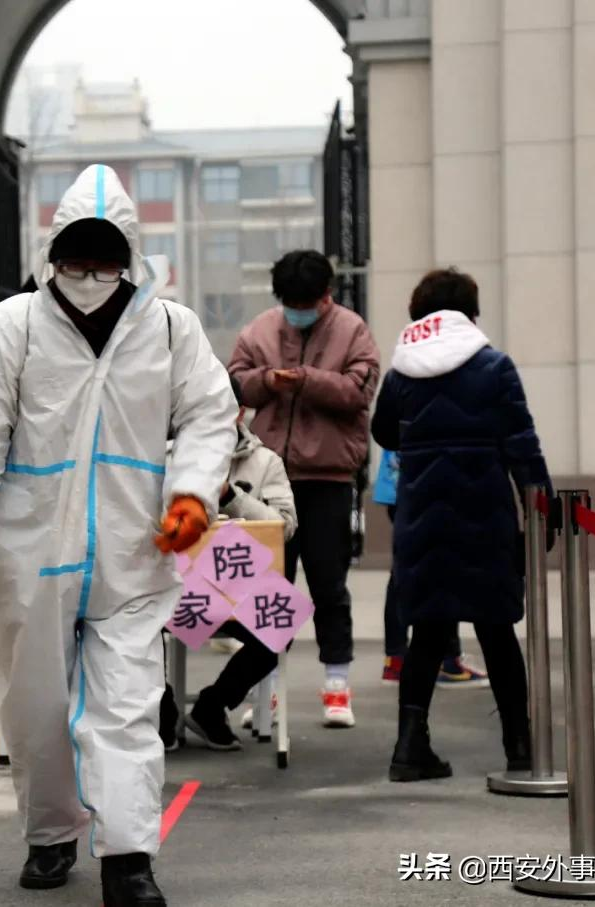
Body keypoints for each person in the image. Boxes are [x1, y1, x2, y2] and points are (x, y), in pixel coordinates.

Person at [0, 164, 236, 906]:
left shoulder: (171, 329)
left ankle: (128, 859)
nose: (89, 275)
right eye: (75, 260)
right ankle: (51, 834)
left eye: (104, 260)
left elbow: (210, 417)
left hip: (134, 553)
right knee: (38, 709)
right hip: (29, 558)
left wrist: (190, 492)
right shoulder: (9, 329)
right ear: (51, 254)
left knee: (126, 705)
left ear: (130, 256)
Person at [371, 268, 552, 782]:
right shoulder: (494, 365)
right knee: (497, 629)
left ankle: (409, 750)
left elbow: (384, 431)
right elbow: (522, 443)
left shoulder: (402, 371)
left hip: (421, 512)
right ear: (470, 311)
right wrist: (544, 505)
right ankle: (520, 747)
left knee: (427, 630)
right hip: (485, 511)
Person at [229, 250, 379, 728]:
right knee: (270, 589)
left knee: (328, 585)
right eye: (289, 302)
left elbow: (359, 392)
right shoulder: (259, 331)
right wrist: (267, 381)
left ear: (325, 296)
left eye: (306, 302)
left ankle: (337, 684)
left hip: (329, 478)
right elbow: (233, 384)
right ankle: (265, 688)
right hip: (269, 482)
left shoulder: (352, 330)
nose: (297, 311)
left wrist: (307, 382)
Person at [159, 376, 298, 752]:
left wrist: (229, 496)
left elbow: (284, 526)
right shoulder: (166, 458)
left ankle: (212, 706)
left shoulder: (265, 461)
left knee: (280, 626)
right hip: (176, 588)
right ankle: (162, 710)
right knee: (132, 623)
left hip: (240, 587)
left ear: (239, 412)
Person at [373, 448, 488, 689]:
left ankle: (398, 659)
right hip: (435, 476)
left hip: (402, 476)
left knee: (406, 569)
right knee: (444, 566)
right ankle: (447, 659)